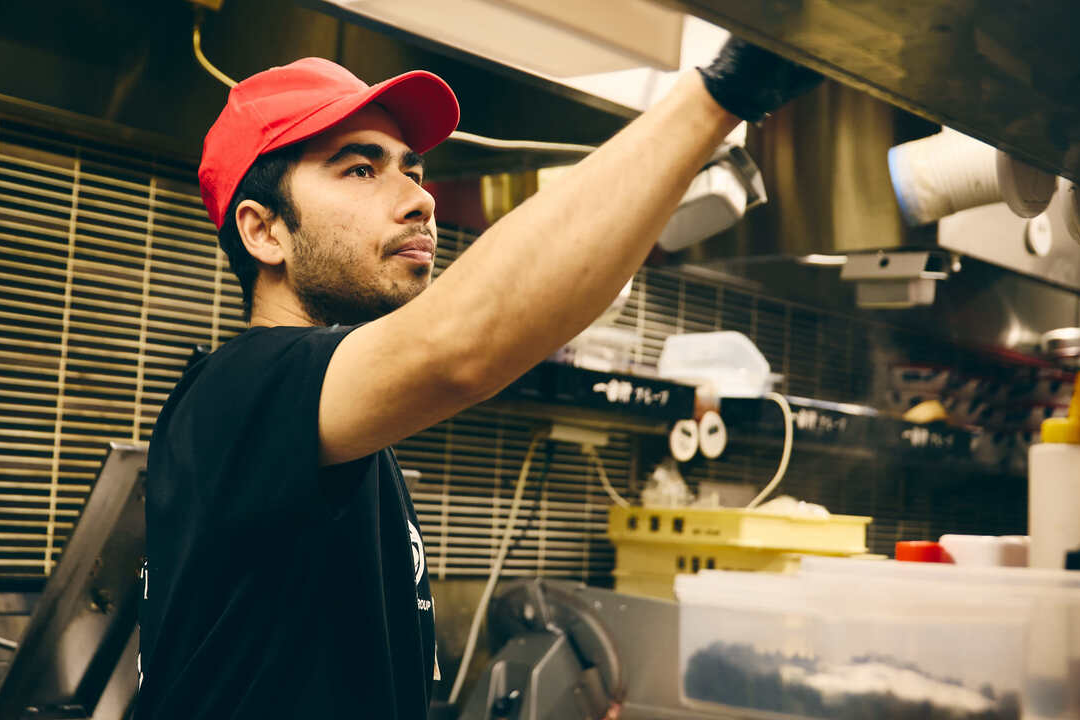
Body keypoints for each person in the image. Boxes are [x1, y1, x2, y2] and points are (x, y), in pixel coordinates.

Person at [136, 39, 820, 719]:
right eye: (360, 170)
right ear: (264, 232)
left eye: (413, 169)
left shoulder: (328, 422)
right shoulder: (240, 388)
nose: (419, 200)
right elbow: (460, 345)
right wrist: (720, 96)